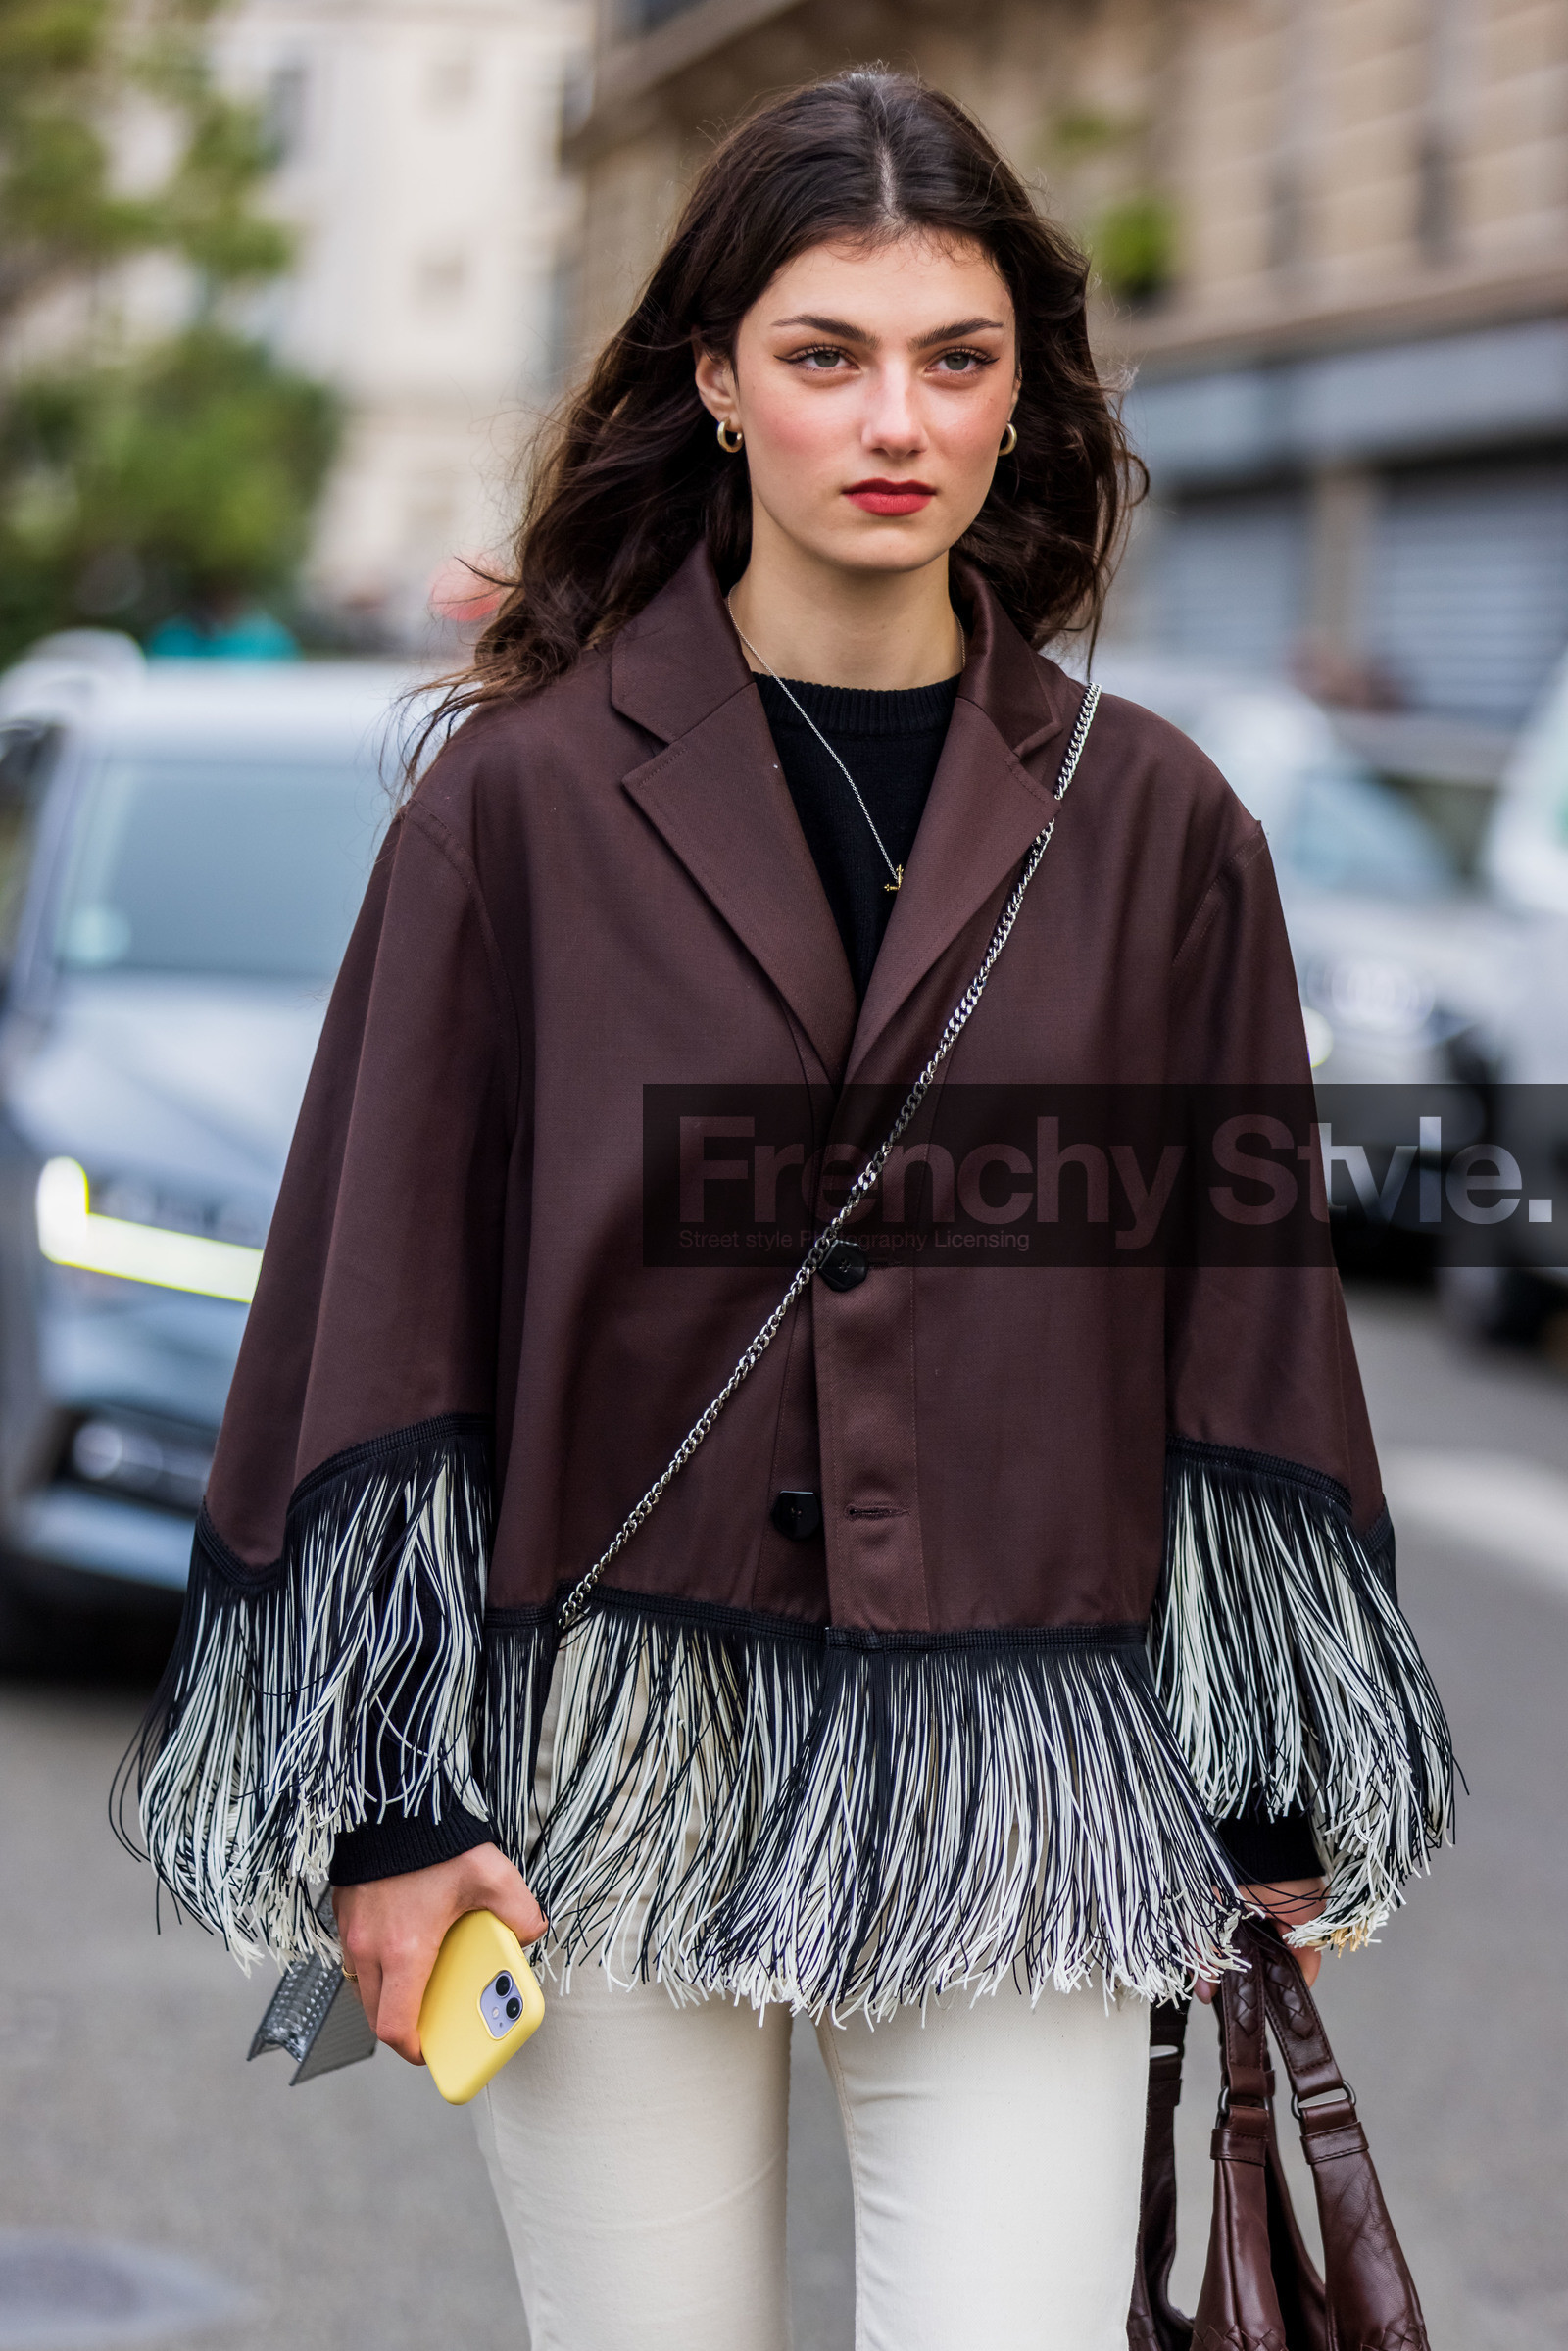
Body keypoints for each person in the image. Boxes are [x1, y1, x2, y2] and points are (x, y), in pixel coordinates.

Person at [131, 71, 1453, 2351]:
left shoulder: (1154, 827)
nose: (893, 418)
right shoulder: (517, 812)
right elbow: (382, 1307)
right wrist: (386, 1804)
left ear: (1022, 396)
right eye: (826, 352)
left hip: (1025, 1765)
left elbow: (1236, 1315)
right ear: (716, 383)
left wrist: (1261, 1775)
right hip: (597, 1769)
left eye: (952, 358)